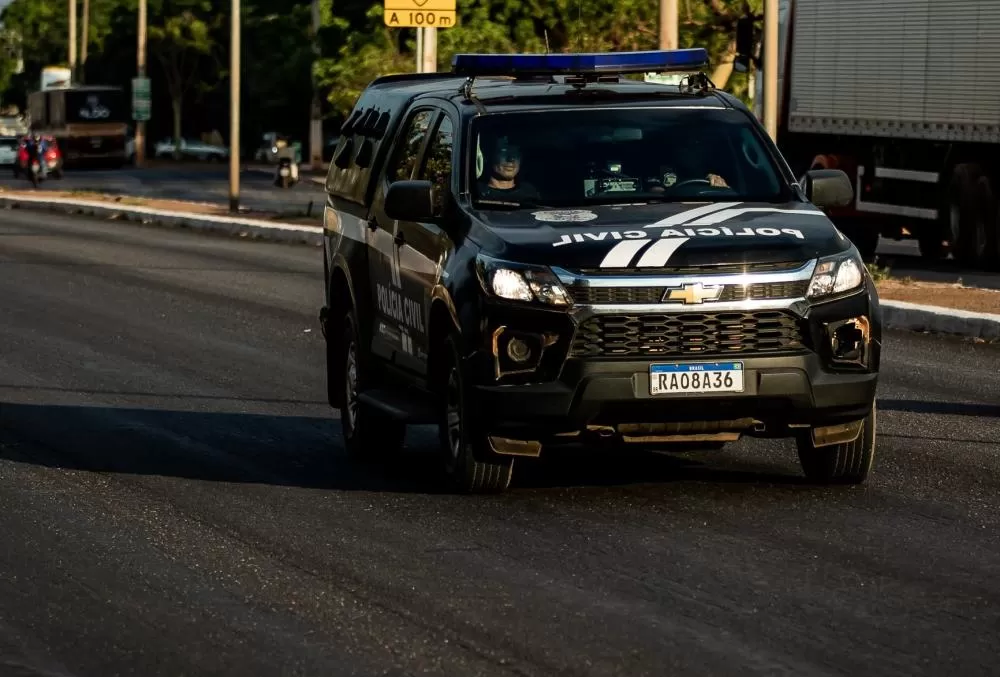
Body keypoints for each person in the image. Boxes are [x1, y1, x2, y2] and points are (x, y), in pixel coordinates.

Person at [476, 136, 540, 203]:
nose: (511, 159)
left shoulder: (529, 192)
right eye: (504, 151)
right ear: (489, 156)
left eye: (515, 153)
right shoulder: (476, 192)